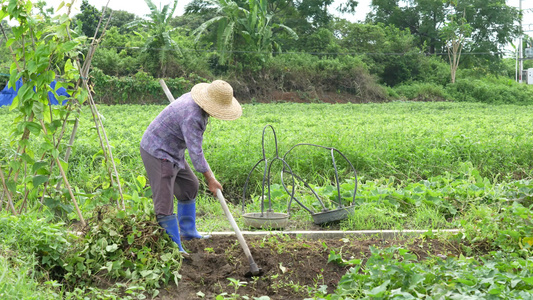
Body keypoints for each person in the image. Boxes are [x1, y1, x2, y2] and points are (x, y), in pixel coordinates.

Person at [140, 80, 242, 253]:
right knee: (164, 202)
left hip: (174, 151)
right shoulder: (193, 116)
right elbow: (196, 153)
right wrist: (211, 178)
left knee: (189, 186)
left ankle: (188, 232)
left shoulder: (197, 105)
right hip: (158, 151)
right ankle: (173, 247)